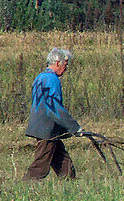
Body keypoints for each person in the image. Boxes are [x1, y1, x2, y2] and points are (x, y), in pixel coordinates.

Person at [23, 47, 88, 180]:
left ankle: (70, 182)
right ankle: (25, 186)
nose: (66, 67)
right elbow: (54, 109)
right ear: (58, 63)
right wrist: (74, 127)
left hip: (43, 127)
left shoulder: (40, 77)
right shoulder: (52, 80)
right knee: (41, 164)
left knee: (63, 162)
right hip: (47, 129)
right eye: (65, 64)